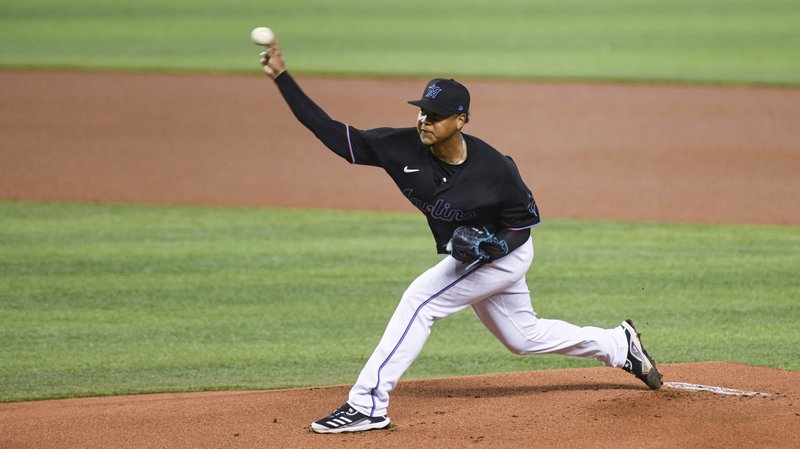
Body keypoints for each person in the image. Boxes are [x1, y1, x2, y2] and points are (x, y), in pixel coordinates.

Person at [259, 37, 662, 434]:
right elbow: (333, 134)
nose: (424, 121)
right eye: (422, 112)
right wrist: (282, 77)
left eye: (434, 115)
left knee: (420, 300)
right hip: (473, 257)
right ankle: (617, 345)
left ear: (460, 121)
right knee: (523, 337)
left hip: (505, 256)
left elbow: (523, 223)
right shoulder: (400, 147)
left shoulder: (495, 169)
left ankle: (367, 404)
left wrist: (498, 246)